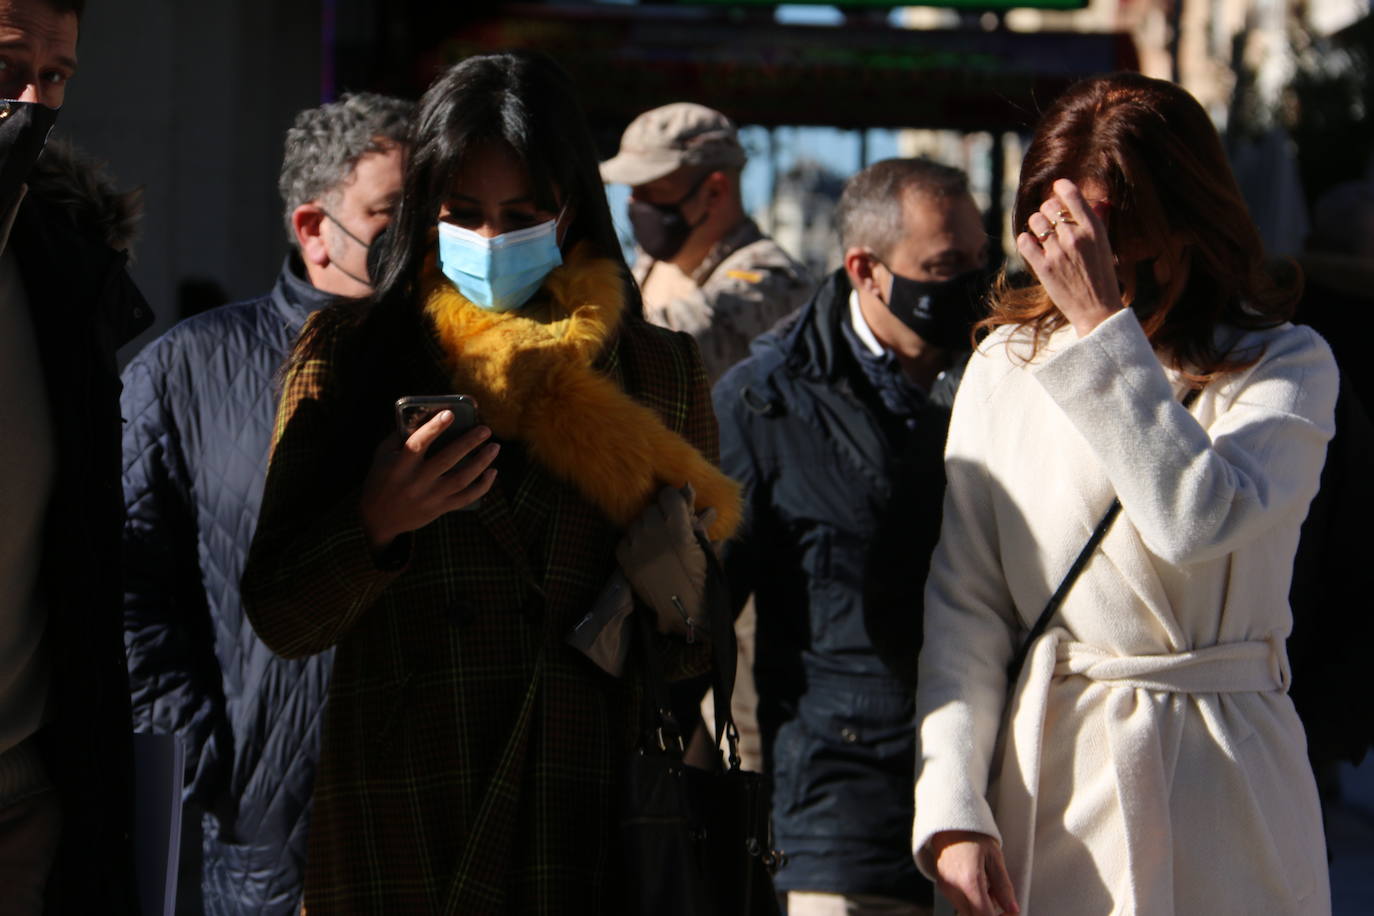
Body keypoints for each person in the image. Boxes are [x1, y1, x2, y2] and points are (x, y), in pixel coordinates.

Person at [240, 52, 739, 913]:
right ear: (426, 212)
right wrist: (377, 521)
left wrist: (668, 589)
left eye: (521, 214)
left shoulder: (659, 372)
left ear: (570, 209)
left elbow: (697, 646)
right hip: (409, 817)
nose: (490, 239)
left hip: (589, 822)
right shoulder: (353, 356)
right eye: (462, 213)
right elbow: (282, 617)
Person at [911, 71, 1336, 916]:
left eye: (1117, 239)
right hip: (1058, 780)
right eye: (1064, 235)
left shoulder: (1286, 365)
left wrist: (1103, 329)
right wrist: (953, 808)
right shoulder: (1004, 368)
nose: (1091, 262)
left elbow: (1194, 518)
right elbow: (968, 604)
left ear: (1187, 224)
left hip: (1228, 781)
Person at [120, 92, 411, 915]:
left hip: (440, 825)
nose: (423, 237)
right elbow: (127, 587)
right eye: (393, 211)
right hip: (260, 834)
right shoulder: (189, 369)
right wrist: (206, 760)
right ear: (315, 227)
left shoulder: (475, 368)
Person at [714, 158, 989, 916]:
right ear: (866, 270)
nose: (971, 282)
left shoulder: (1005, 371)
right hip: (843, 815)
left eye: (978, 259)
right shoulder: (764, 403)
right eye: (944, 265)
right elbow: (700, 614)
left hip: (999, 797)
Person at [0, 1, 154, 913]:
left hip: (23, 790)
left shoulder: (59, 262)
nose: (30, 101)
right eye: (8, 65)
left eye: (53, 77)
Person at [600, 101, 812, 383]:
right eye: (632, 190)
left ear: (714, 191)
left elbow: (651, 353)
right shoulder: (649, 264)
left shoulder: (772, 281)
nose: (634, 203)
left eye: (652, 190)